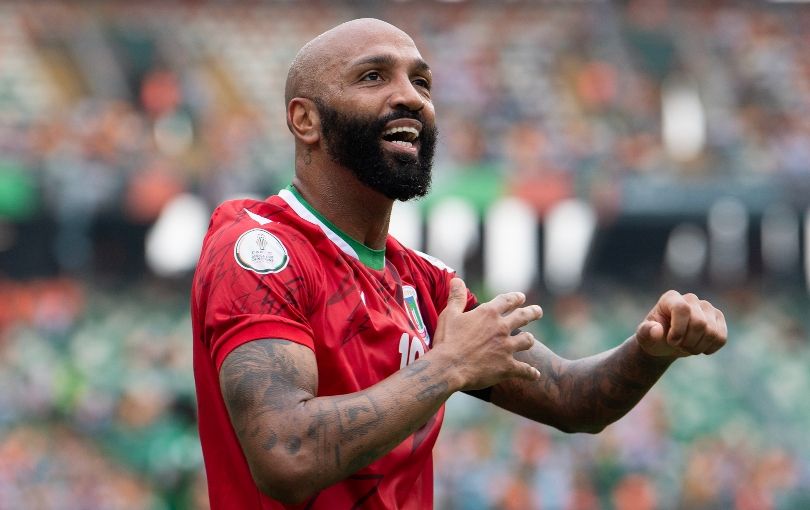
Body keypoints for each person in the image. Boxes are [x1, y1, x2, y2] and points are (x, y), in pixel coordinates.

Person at [191, 18, 727, 509]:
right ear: (305, 119)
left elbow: (571, 399)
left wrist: (650, 348)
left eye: (422, 83)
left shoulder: (425, 284)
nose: (410, 97)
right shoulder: (259, 253)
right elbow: (287, 456)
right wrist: (447, 367)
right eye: (373, 77)